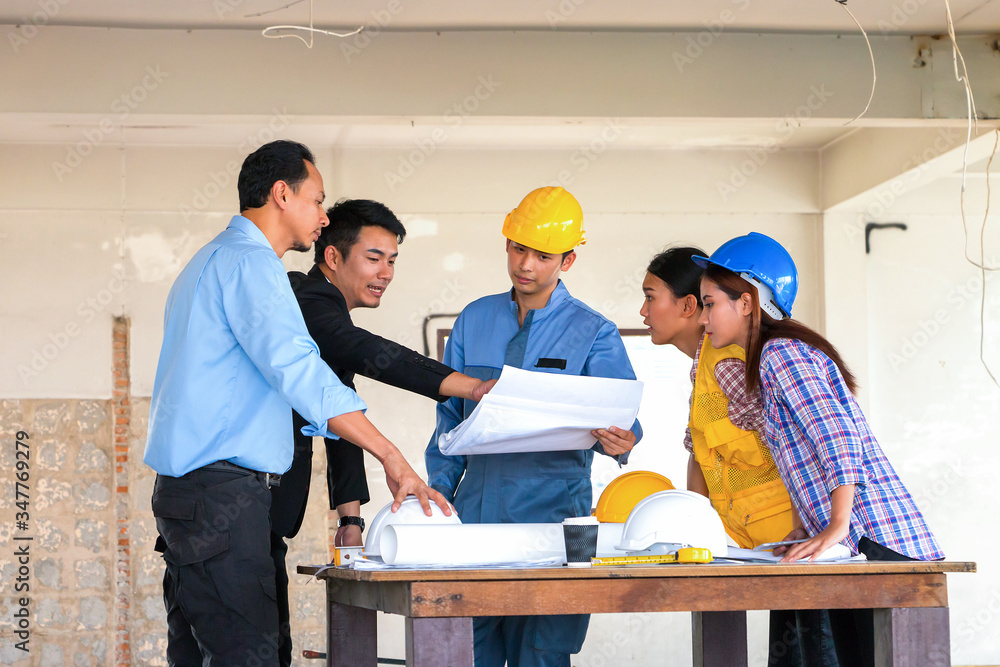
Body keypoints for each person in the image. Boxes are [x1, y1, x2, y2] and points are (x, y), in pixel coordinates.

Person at [144, 140, 450, 666]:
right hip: (220, 497)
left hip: (194, 498)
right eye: (317, 200)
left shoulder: (208, 261)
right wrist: (392, 456)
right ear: (282, 195)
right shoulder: (250, 264)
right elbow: (300, 372)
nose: (324, 216)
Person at [693, 232, 943, 666]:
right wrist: (804, 526)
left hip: (881, 545)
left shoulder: (782, 354)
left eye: (710, 303)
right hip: (860, 547)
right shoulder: (766, 362)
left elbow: (838, 438)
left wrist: (836, 525)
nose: (703, 318)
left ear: (748, 302)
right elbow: (795, 459)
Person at [271, 198, 494, 666]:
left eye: (392, 260)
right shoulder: (303, 298)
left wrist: (349, 521)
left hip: (265, 519)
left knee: (270, 650)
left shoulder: (325, 315)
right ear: (332, 257)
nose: (386, 272)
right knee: (254, 653)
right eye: (374, 258)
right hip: (235, 508)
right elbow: (364, 349)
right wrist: (471, 387)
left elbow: (339, 413)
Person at [426, 186, 643, 667]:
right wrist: (437, 497)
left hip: (553, 524)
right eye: (517, 248)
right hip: (475, 522)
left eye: (542, 255)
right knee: (468, 651)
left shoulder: (594, 331)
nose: (526, 264)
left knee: (541, 655)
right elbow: (448, 422)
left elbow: (624, 418)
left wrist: (622, 442)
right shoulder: (474, 319)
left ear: (568, 260)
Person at [641, 246, 837, 666]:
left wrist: (822, 520)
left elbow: (804, 442)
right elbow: (703, 455)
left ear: (691, 305)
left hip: (798, 541)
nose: (642, 310)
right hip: (768, 545)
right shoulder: (707, 364)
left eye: (650, 296)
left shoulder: (732, 358)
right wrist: (698, 531)